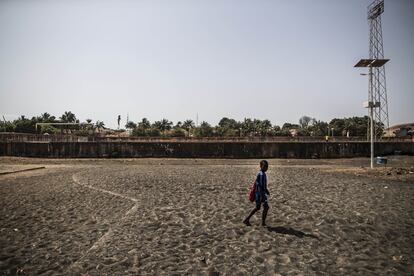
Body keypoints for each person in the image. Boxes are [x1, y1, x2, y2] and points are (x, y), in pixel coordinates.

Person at [243, 160, 270, 226]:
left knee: (258, 207)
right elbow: (260, 186)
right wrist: (262, 196)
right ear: (260, 166)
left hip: (260, 193)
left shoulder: (262, 173)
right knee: (266, 207)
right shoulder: (261, 174)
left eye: (267, 166)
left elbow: (261, 184)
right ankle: (262, 223)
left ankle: (247, 219)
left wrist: (266, 190)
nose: (266, 168)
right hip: (260, 194)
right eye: (264, 166)